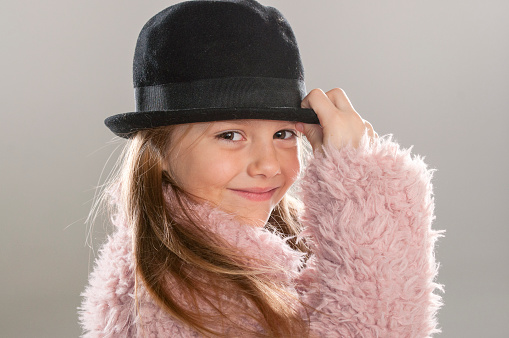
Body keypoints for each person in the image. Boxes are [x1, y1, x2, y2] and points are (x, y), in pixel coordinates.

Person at [79, 0, 443, 337]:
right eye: (230, 135)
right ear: (157, 151)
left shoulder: (246, 254)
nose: (268, 165)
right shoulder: (184, 301)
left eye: (283, 133)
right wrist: (366, 189)